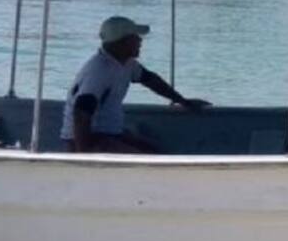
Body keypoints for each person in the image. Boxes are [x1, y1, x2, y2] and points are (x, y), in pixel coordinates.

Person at [60, 16, 210, 153]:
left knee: (155, 152)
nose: (140, 41)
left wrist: (183, 101)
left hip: (109, 133)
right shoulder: (99, 71)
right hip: (90, 138)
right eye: (136, 38)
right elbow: (81, 112)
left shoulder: (126, 64)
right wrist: (83, 155)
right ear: (123, 41)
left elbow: (150, 79)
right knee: (147, 161)